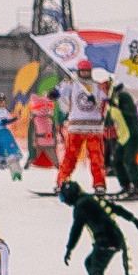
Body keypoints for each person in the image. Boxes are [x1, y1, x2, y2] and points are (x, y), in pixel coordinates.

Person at [58, 181, 138, 275]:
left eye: (63, 198)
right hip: (110, 239)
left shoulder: (81, 206)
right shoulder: (91, 199)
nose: (64, 202)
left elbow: (76, 229)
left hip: (107, 241)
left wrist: (69, 249)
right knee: (90, 263)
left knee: (96, 267)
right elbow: (115, 208)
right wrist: (134, 220)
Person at [55, 61, 109, 190]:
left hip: (94, 127)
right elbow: (59, 92)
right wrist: (53, 94)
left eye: (87, 71)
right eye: (83, 71)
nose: (85, 73)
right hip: (76, 125)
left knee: (97, 157)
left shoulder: (96, 86)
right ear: (78, 71)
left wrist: (102, 98)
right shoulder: (72, 84)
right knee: (70, 156)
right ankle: (62, 181)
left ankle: (99, 183)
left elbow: (104, 99)